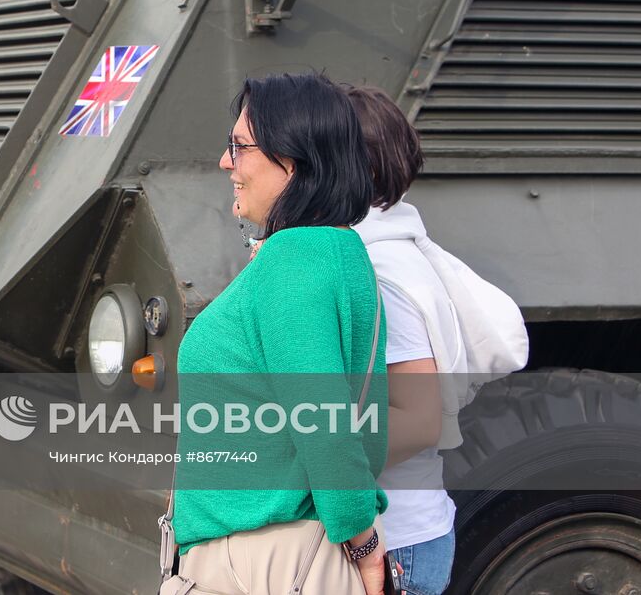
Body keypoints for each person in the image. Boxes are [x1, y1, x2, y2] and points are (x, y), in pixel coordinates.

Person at [169, 72, 388, 595]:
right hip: (271, 554)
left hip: (264, 561)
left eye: (239, 147)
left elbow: (324, 422)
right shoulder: (329, 250)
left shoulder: (296, 259)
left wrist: (365, 547)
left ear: (292, 160)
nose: (226, 162)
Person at [346, 85, 480, 595]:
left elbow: (419, 421)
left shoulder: (379, 269)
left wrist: (299, 463)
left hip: (393, 544)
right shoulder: (386, 250)